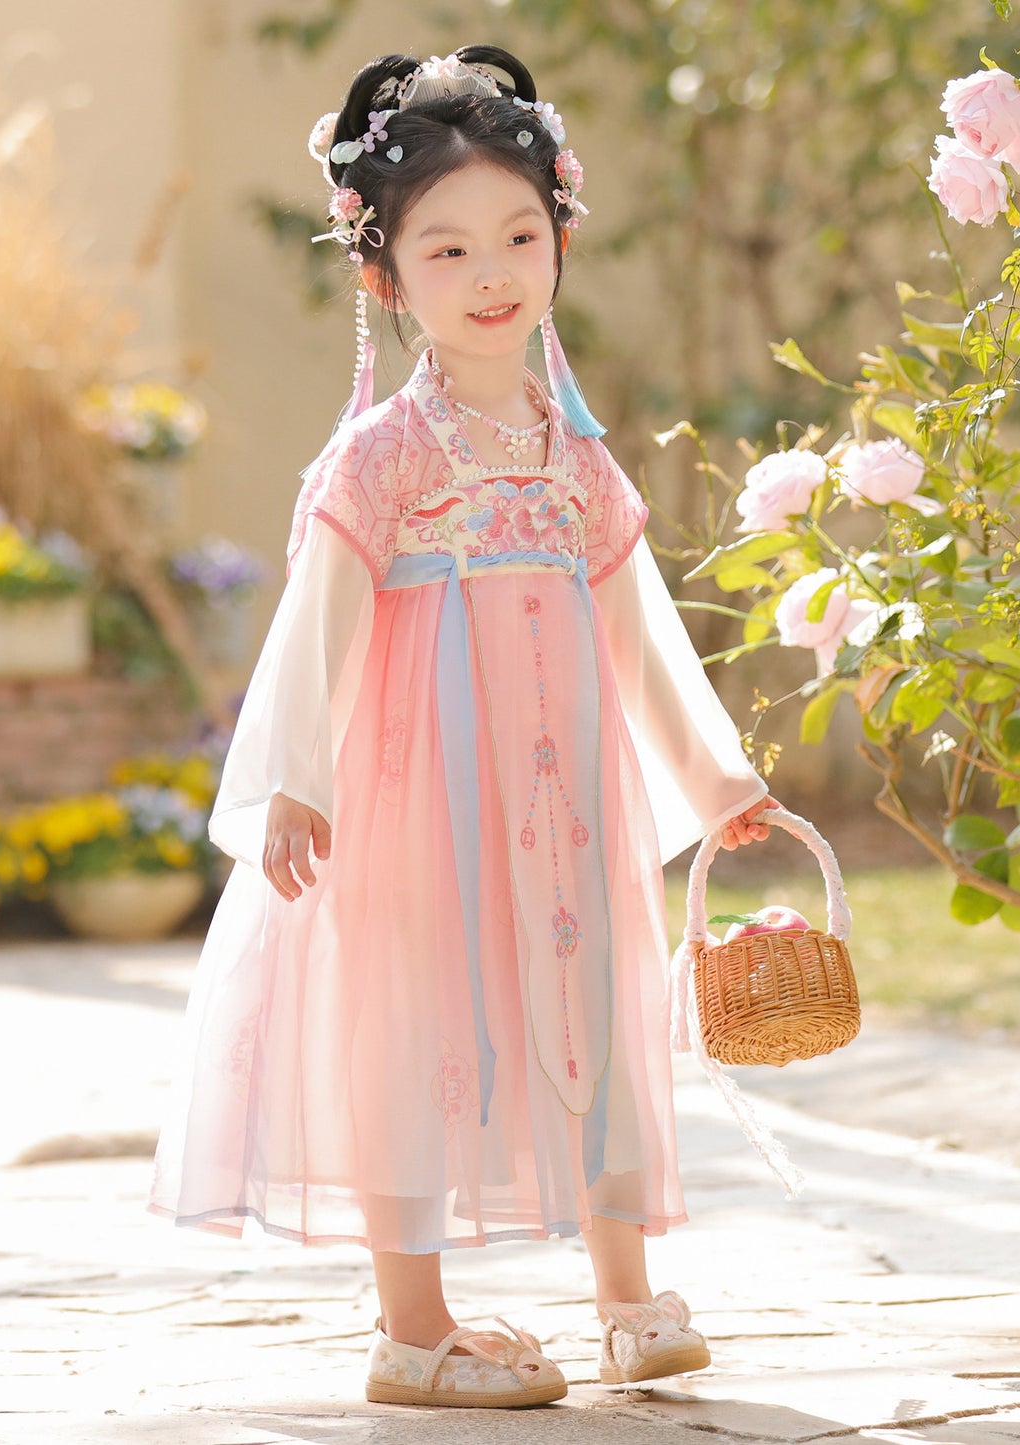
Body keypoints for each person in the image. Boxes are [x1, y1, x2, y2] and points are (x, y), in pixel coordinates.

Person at [148, 44, 778, 1409]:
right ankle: (412, 1324)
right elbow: (311, 627)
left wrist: (714, 777)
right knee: (415, 1017)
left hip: (569, 799)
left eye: (517, 235)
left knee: (596, 1008)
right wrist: (296, 784)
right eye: (446, 251)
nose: (492, 274)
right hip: (417, 794)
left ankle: (625, 1295)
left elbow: (637, 634)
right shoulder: (383, 457)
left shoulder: (576, 460)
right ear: (382, 278)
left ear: (558, 238)